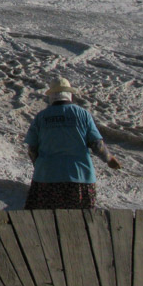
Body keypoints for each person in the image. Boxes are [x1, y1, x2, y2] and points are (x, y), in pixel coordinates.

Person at [24, 76, 121, 210]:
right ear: (69, 94)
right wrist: (109, 159)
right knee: (80, 222)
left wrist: (40, 166)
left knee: (45, 222)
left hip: (46, 178)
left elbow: (32, 149)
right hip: (80, 178)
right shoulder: (83, 114)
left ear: (51, 96)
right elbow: (96, 145)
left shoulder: (41, 117)